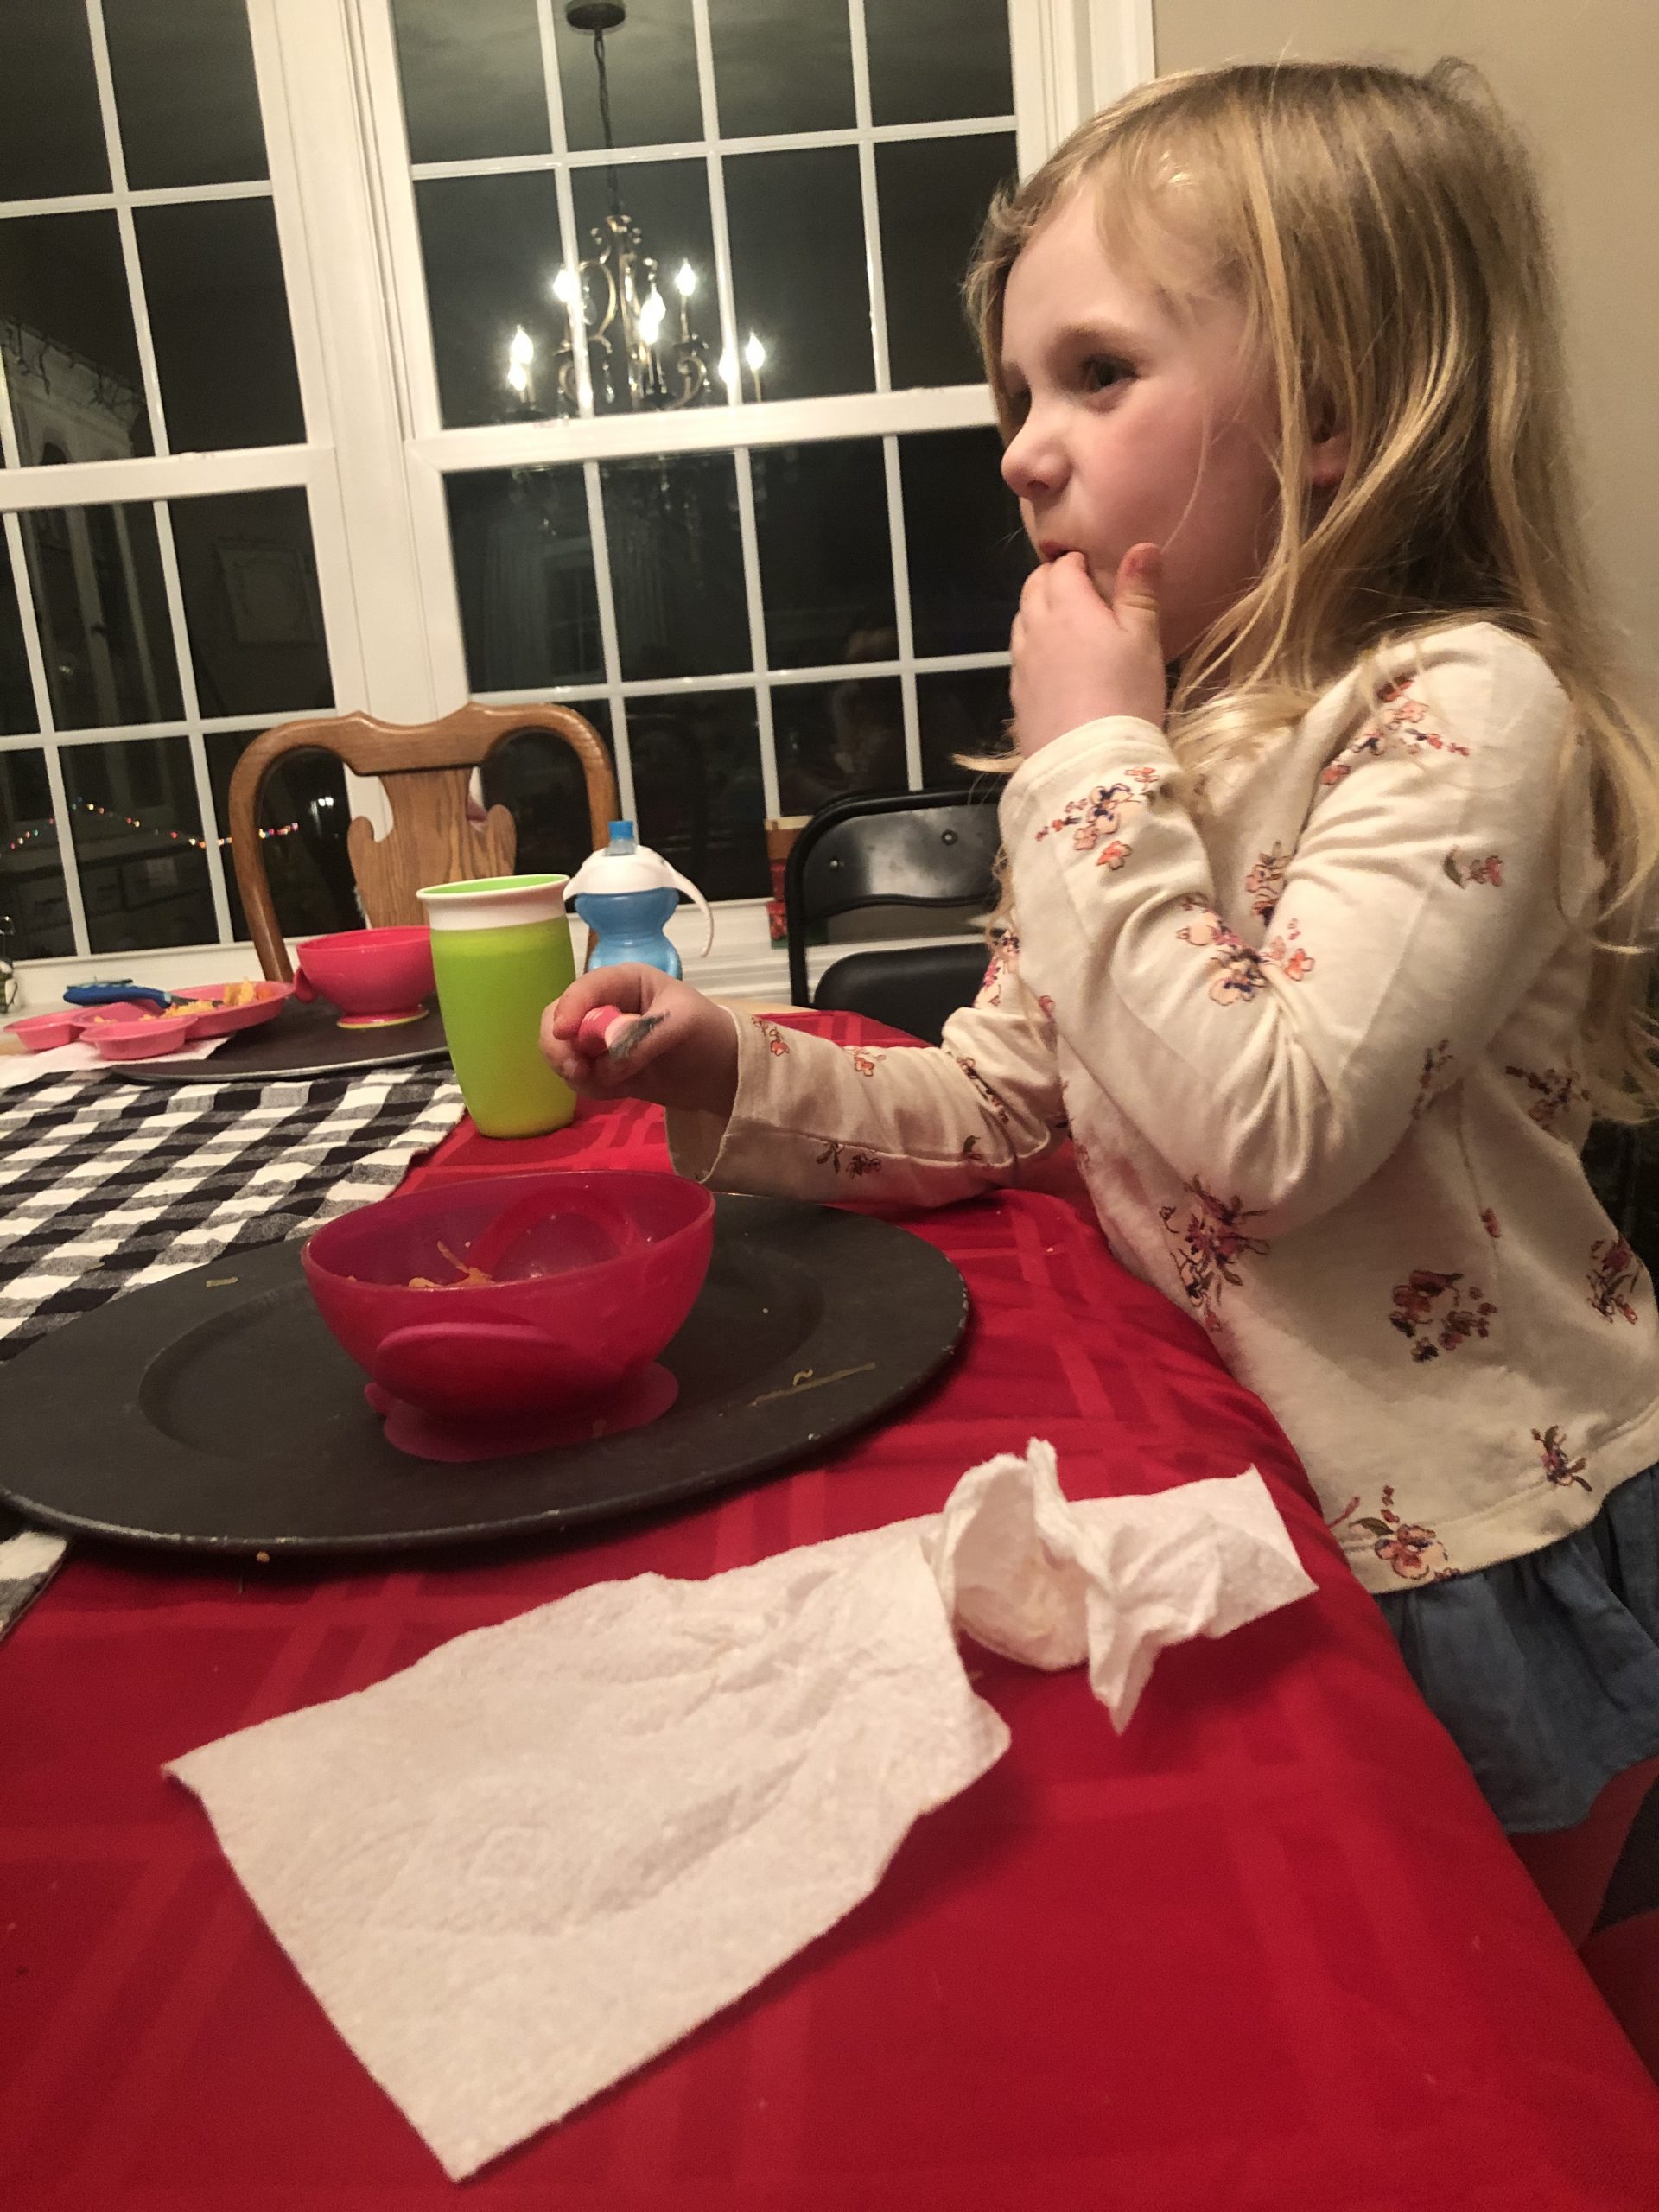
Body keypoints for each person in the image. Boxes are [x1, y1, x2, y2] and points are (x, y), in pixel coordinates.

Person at [542, 60, 1659, 1869]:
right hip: (1244, 1486)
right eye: (1016, 391)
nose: (1020, 445)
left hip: (1468, 1535)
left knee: (1512, 2036)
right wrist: (725, 1066)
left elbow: (1269, 1129)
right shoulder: (1147, 761)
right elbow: (997, 1102)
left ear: (1336, 414)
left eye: (1097, 373)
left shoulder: (1455, 706)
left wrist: (1086, 762)